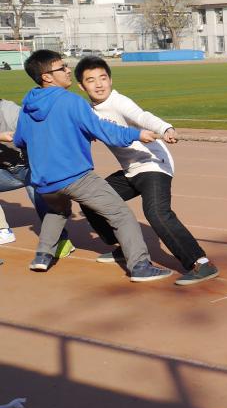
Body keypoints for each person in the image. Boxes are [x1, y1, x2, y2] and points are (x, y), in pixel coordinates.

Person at [11, 51, 171, 281]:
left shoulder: (28, 105)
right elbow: (104, 130)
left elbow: (20, 140)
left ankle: (42, 256)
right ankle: (140, 266)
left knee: (57, 210)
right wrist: (137, 134)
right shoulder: (71, 101)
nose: (68, 70)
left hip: (44, 183)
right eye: (62, 67)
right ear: (47, 76)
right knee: (121, 215)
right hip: (76, 177)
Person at [74, 56, 219, 285]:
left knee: (156, 212)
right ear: (82, 86)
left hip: (153, 163)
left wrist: (165, 127)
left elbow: (142, 116)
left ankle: (201, 263)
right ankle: (125, 247)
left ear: (111, 80)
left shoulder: (118, 101)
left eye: (103, 78)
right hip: (131, 170)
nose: (99, 85)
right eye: (91, 80)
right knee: (90, 198)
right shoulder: (88, 112)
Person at [0, 97, 73, 255]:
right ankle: (2, 229)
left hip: (31, 167)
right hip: (6, 172)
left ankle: (60, 240)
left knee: (39, 195)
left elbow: (42, 135)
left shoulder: (11, 112)